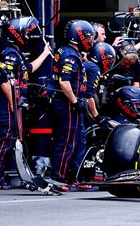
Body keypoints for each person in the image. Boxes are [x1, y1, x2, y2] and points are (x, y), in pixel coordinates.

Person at [0, 17, 52, 190]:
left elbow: (28, 68)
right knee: (6, 137)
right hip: (6, 103)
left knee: (12, 139)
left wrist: (45, 53)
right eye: (26, 33)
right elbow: (3, 80)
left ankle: (4, 175)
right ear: (17, 34)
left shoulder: (16, 53)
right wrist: (13, 103)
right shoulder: (8, 53)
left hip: (14, 102)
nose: (28, 36)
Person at [48, 19, 95, 190]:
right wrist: (75, 102)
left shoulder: (69, 51)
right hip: (66, 104)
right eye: (88, 37)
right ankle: (57, 177)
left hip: (68, 103)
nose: (90, 40)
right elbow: (64, 83)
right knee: (67, 141)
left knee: (74, 141)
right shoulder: (70, 55)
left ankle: (71, 176)